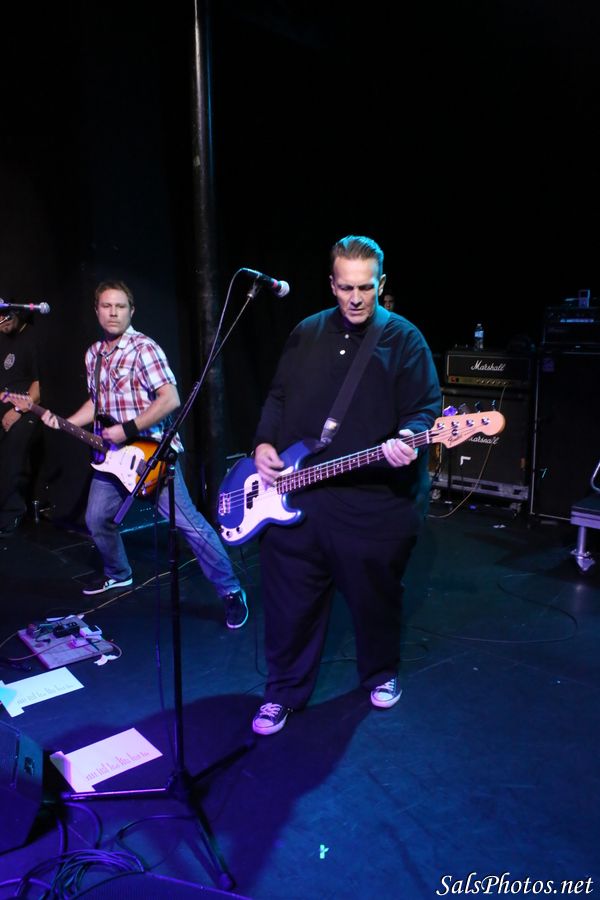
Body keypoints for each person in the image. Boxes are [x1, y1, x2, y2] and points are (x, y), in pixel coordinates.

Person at [251, 235, 441, 734]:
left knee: (374, 597)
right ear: (331, 285)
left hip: (371, 499)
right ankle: (282, 692)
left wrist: (409, 437)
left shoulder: (404, 339)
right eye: (346, 288)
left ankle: (380, 672)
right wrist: (263, 443)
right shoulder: (306, 331)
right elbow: (278, 396)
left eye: (366, 288)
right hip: (300, 491)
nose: (356, 299)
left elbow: (425, 408)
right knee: (289, 602)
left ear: (381, 283)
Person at [42, 280, 248, 629]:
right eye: (106, 306)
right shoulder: (94, 354)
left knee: (190, 526)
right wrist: (64, 422)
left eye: (120, 306)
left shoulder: (144, 349)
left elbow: (170, 399)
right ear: (96, 311)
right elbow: (97, 402)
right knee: (97, 519)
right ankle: (118, 573)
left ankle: (230, 591)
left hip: (152, 456)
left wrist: (128, 429)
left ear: (131, 311)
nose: (113, 313)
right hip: (112, 458)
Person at [0, 310, 41, 535]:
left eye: (4, 317)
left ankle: (11, 513)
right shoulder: (2, 339)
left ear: (15, 313)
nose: (1, 323)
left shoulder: (31, 339)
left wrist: (17, 410)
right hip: (3, 404)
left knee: (12, 452)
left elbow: (38, 387)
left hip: (25, 409)